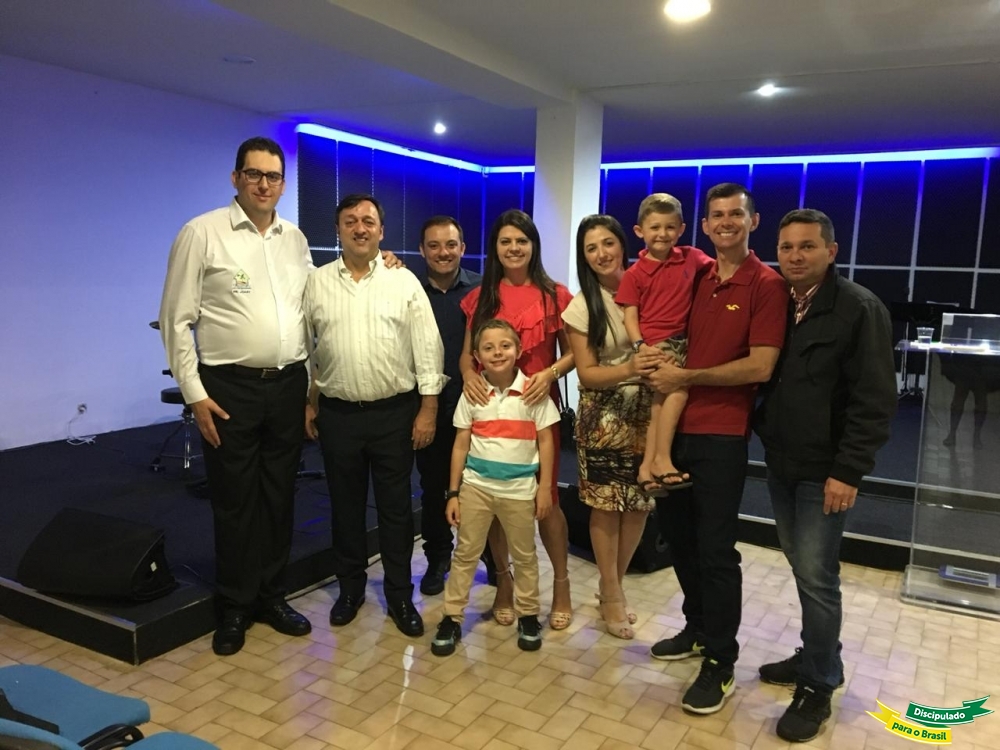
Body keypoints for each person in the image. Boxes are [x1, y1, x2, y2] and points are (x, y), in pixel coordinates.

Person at [159, 136, 313, 656]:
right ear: (235, 178)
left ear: (283, 184)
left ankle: (272, 596)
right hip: (229, 389)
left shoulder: (295, 239)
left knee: (279, 496)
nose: (264, 184)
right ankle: (234, 606)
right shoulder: (201, 233)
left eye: (273, 176)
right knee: (234, 500)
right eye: (254, 174)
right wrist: (194, 393)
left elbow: (309, 311)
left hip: (288, 385)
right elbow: (176, 320)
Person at [754, 209, 897, 742]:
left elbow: (874, 401)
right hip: (782, 461)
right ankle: (817, 654)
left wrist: (848, 471)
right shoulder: (778, 303)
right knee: (802, 567)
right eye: (786, 247)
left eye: (807, 246)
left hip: (826, 473)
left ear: (831, 251)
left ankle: (817, 684)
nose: (795, 256)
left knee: (817, 578)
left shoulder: (859, 308)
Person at [645, 183, 788, 714]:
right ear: (704, 226)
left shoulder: (766, 284)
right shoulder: (700, 276)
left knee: (715, 551)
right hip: (674, 427)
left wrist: (688, 376)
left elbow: (761, 366)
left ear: (753, 221)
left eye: (736, 214)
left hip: (721, 435)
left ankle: (721, 660)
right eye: (717, 215)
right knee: (680, 542)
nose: (726, 222)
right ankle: (698, 629)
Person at [303, 193, 446, 638]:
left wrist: (428, 408)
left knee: (397, 510)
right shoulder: (316, 283)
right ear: (338, 230)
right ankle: (350, 590)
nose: (360, 228)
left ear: (382, 231)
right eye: (350, 221)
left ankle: (400, 595)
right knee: (345, 508)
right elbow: (306, 348)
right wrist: (309, 400)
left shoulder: (404, 282)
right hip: (338, 415)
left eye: (368, 221)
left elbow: (428, 348)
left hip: (394, 415)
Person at [459, 209, 575, 630]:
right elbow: (467, 355)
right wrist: (470, 375)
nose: (513, 248)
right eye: (505, 241)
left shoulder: (555, 294)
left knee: (548, 502)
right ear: (495, 247)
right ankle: (504, 583)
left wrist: (550, 374)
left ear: (533, 246)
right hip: (491, 410)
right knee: (495, 499)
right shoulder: (482, 296)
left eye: (521, 241)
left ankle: (561, 586)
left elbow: (576, 354)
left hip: (537, 409)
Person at [562, 215, 667, 639]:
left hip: (649, 414)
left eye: (608, 243)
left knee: (638, 504)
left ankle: (614, 589)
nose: (601, 254)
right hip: (603, 416)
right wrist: (630, 368)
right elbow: (587, 373)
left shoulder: (647, 286)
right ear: (583, 257)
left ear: (623, 244)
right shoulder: (581, 305)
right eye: (591, 248)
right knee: (606, 506)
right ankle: (610, 591)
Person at [431, 319, 560, 656]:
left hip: (519, 491)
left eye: (505, 345)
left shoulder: (533, 391)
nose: (497, 353)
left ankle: (528, 615)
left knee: (526, 556)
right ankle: (452, 617)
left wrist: (544, 488)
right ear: (477, 356)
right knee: (465, 554)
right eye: (488, 348)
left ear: (518, 350)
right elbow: (461, 444)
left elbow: (546, 442)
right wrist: (453, 492)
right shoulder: (472, 394)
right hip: (476, 489)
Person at [618, 193, 713, 497]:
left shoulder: (691, 257)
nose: (662, 234)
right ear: (639, 231)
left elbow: (721, 268)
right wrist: (640, 346)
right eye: (655, 227)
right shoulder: (634, 274)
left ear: (681, 229)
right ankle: (662, 458)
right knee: (679, 390)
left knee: (658, 404)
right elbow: (629, 315)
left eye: (670, 227)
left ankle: (647, 466)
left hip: (683, 340)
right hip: (656, 345)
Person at [415, 216, 482, 595]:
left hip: (477, 406)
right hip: (427, 408)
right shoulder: (408, 288)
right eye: (434, 245)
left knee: (482, 486)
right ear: (422, 250)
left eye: (451, 244)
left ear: (463, 248)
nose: (443, 252)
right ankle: (438, 557)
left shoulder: (483, 289)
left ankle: (490, 556)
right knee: (433, 487)